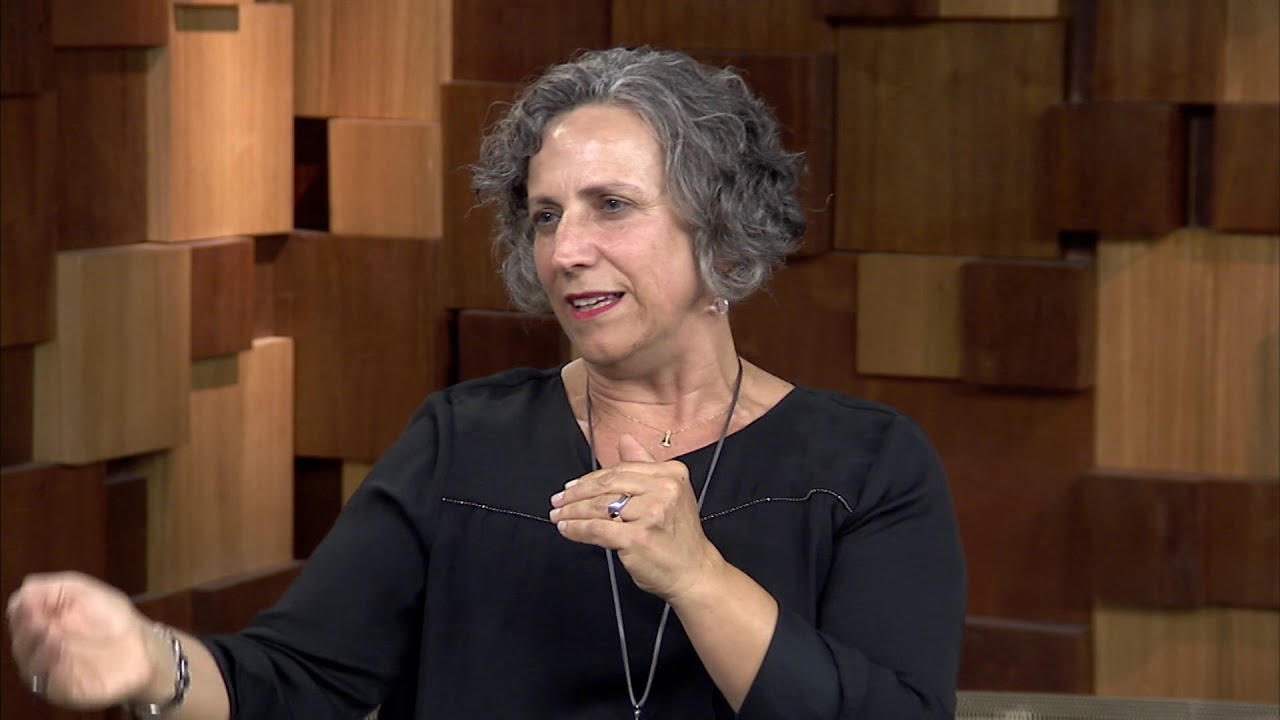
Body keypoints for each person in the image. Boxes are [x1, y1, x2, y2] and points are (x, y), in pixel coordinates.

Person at [7, 47, 966, 718]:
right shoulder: (463, 442)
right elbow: (296, 682)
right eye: (546, 216)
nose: (566, 250)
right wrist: (152, 664)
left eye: (611, 205)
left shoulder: (865, 465)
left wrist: (698, 577)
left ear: (720, 231)